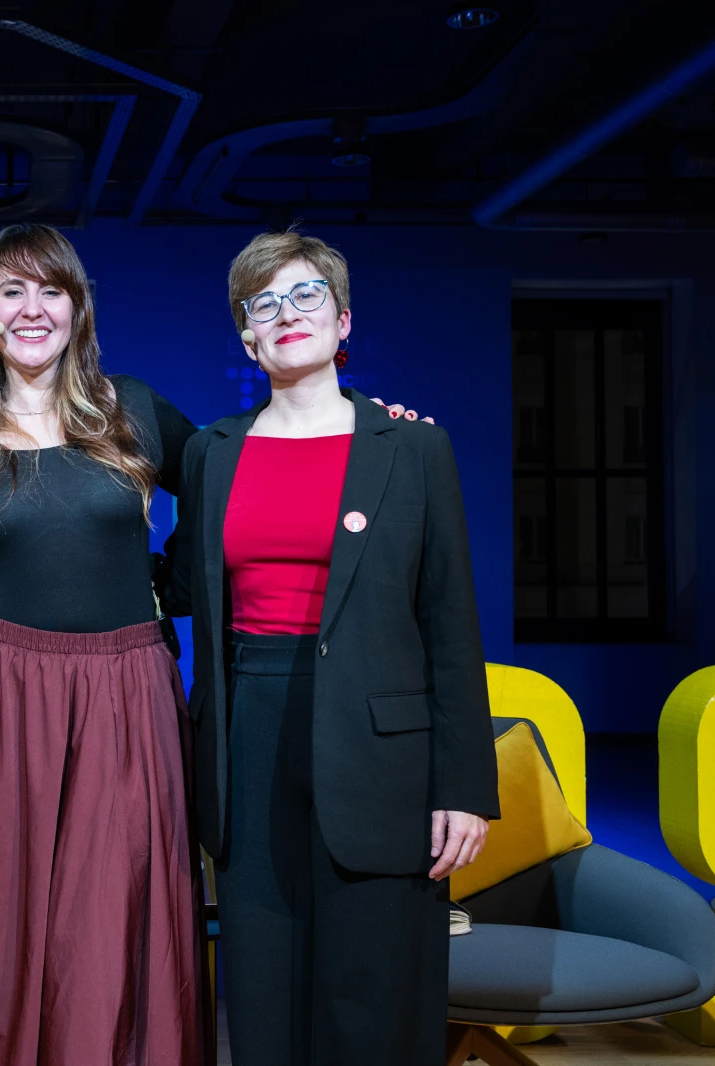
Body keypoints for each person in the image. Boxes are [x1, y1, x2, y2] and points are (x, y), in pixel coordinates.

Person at [164, 228, 499, 1065]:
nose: (288, 313)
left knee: (373, 996)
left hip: (382, 752)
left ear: (343, 320)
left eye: (307, 294)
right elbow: (180, 584)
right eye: (264, 303)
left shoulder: (413, 448)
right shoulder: (211, 452)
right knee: (264, 992)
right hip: (248, 739)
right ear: (247, 336)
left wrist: (463, 787)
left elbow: (451, 625)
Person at [0, 223, 209, 1066]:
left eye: (52, 290)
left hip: (125, 691)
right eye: (13, 291)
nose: (32, 309)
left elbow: (227, 480)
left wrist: (169, 586)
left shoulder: (130, 407)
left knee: (111, 917)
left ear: (77, 310)